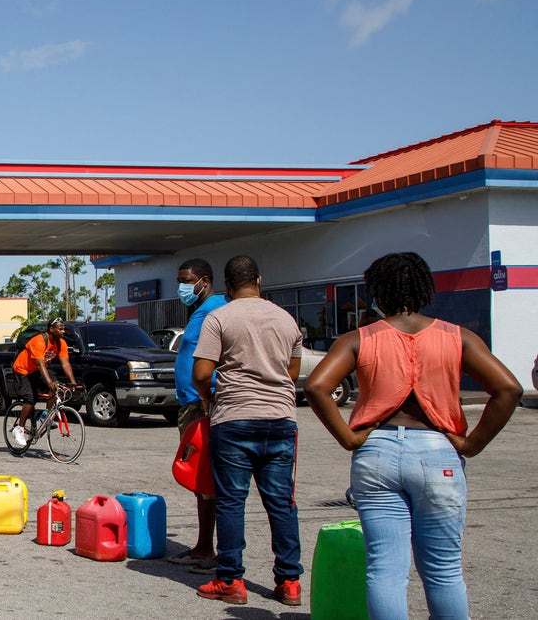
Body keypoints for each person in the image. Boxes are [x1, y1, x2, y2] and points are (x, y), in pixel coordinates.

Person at [305, 252, 522, 619]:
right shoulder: (457, 337)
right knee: (443, 570)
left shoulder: (359, 339)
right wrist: (472, 444)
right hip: (437, 452)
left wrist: (349, 438)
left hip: (376, 452)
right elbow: (509, 389)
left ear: (380, 293)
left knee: (385, 571)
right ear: (423, 290)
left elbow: (316, 387)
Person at [192, 255, 303, 606]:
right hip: (281, 420)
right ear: (259, 279)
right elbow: (292, 372)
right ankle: (289, 582)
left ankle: (230, 580)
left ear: (226, 285)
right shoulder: (286, 319)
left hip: (234, 419)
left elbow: (200, 373)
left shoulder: (219, 317)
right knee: (281, 504)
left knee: (231, 502)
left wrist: (209, 399)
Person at [166, 258, 225, 572]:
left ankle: (207, 548)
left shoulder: (215, 308)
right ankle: (206, 545)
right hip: (192, 402)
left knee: (206, 478)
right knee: (202, 479)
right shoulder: (201, 311)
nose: (182, 287)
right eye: (179, 280)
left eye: (186, 280)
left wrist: (207, 396)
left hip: (203, 404)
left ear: (204, 280)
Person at [9, 318, 77, 448]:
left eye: (64, 329)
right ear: (51, 329)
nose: (63, 331)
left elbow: (65, 363)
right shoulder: (39, 341)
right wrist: (49, 382)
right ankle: (19, 428)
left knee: (56, 387)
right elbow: (40, 364)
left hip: (40, 369)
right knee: (30, 398)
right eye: (60, 329)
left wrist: (73, 383)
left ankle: (45, 416)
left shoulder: (61, 343)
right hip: (23, 369)